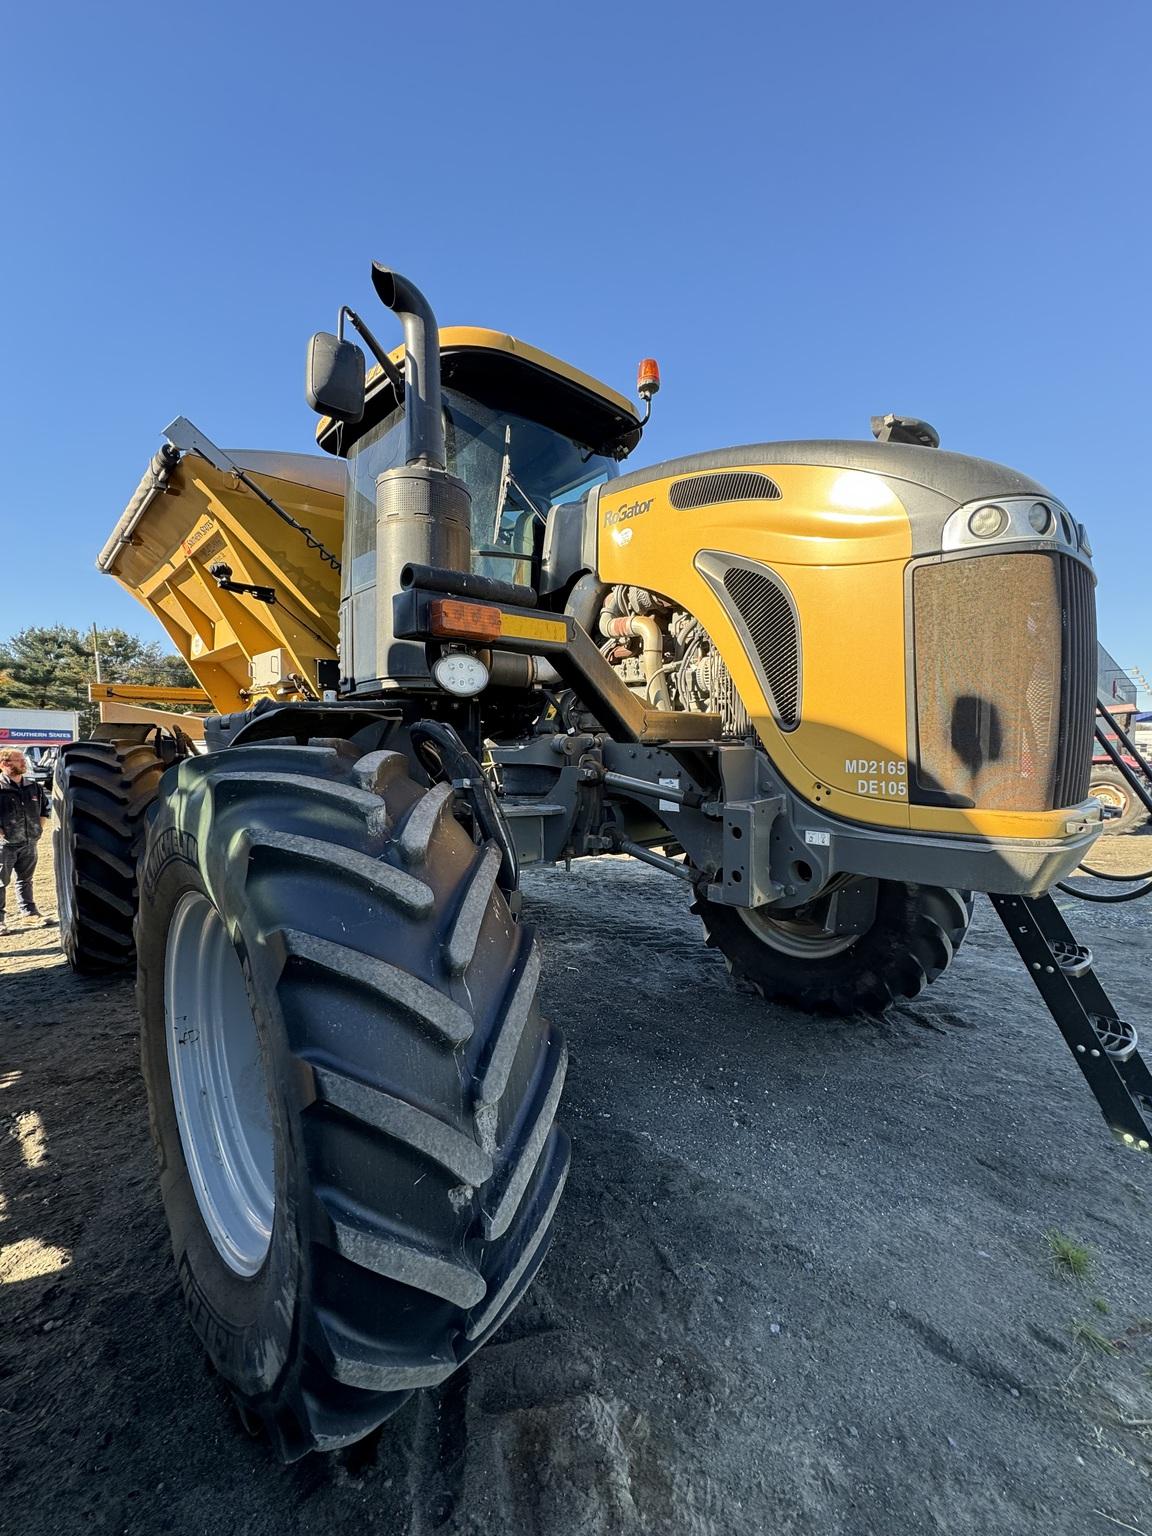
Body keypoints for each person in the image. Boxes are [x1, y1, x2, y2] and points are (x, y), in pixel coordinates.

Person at [0, 748, 55, 935]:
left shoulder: (33, 787)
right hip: (5, 845)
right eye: (18, 760)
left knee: (25, 879)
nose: (23, 763)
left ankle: (29, 913)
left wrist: (37, 830)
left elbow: (44, 809)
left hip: (29, 842)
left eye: (23, 759)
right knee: (0, 882)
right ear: (5, 764)